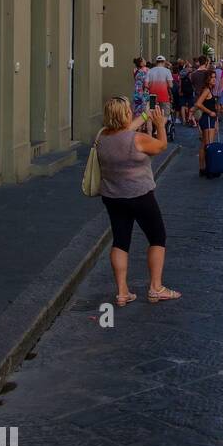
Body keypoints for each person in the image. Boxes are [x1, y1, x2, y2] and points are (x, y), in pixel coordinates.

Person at [96, 95, 179, 305]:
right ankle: (156, 287)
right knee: (157, 237)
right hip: (140, 196)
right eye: (129, 110)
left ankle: (122, 292)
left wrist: (144, 115)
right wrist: (160, 124)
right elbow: (161, 146)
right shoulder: (137, 140)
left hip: (113, 197)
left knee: (120, 241)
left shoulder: (102, 137)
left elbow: (124, 131)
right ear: (124, 114)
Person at [193, 71, 219, 176]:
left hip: (208, 119)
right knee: (209, 145)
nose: (214, 79)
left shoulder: (209, 90)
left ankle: (202, 168)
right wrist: (210, 112)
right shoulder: (207, 90)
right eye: (211, 78)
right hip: (207, 119)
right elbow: (198, 103)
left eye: (214, 77)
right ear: (207, 79)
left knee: (204, 144)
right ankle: (209, 168)